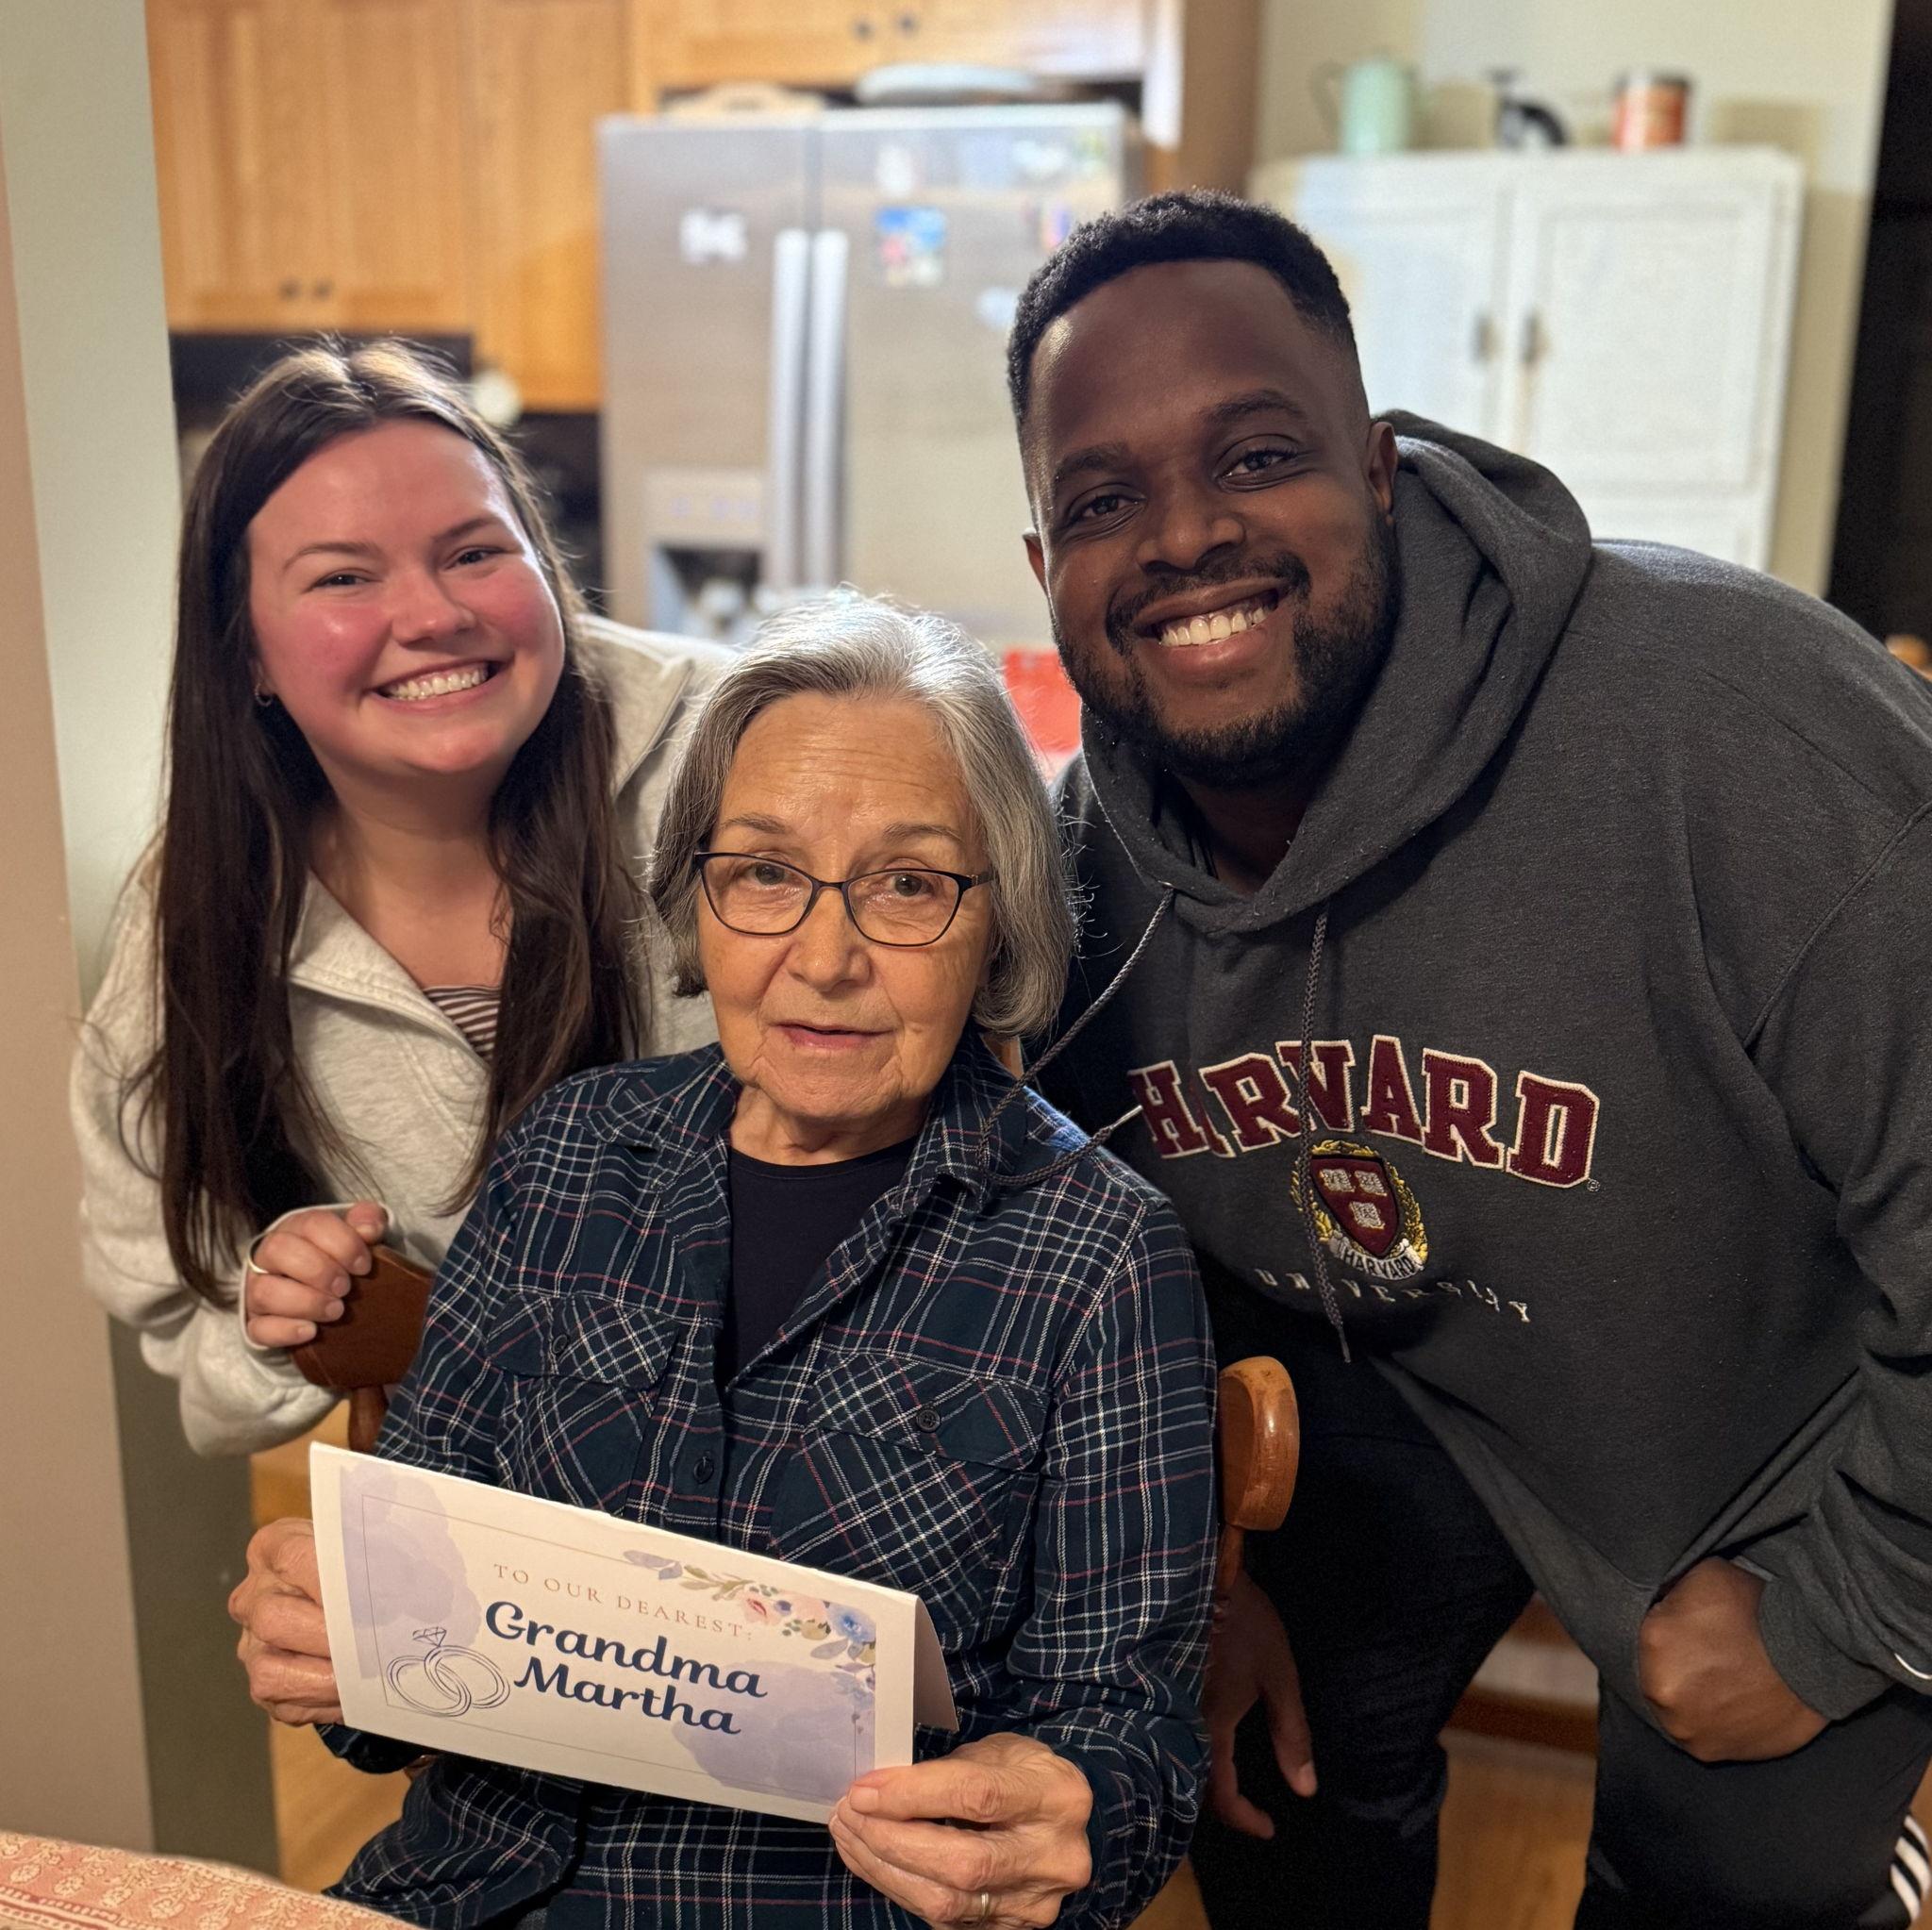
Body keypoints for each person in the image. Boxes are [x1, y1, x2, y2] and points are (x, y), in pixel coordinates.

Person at [1006, 191, 1932, 1927]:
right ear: (1044, 557)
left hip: (1789, 1429)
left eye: (1255, 454)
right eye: (1105, 499)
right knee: (1263, 1792)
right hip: (1388, 1394)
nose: (1186, 536)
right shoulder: (1073, 881)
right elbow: (1085, 1282)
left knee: (1734, 1878)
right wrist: (1202, 1571)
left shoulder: (1739, 730)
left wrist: (1850, 1610)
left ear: (1376, 466)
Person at [227, 595, 1218, 1930]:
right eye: (763, 873)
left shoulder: (1100, 1254)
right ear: (698, 895)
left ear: (1002, 919)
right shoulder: (568, 1155)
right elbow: (404, 1639)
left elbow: (1129, 1741)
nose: (825, 957)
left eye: (909, 884)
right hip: (473, 1887)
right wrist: (335, 1637)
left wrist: (1065, 1808)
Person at [71, 341, 724, 1456]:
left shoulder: (732, 754)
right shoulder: (200, 912)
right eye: (342, 577)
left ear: (543, 564)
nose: (430, 615)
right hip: (472, 1529)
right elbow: (177, 1320)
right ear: (246, 654)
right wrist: (284, 1316)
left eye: (473, 552)